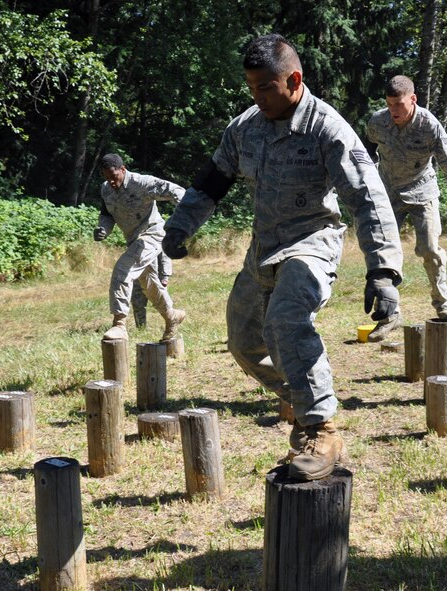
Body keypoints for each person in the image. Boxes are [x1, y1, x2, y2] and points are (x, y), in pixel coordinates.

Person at [162, 34, 404, 480]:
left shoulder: (328, 129)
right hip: (262, 249)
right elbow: (211, 181)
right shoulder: (246, 127)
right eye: (251, 88)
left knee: (286, 322)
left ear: (293, 79)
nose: (257, 97)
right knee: (244, 341)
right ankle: (302, 393)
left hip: (312, 243)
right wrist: (180, 226)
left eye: (264, 88)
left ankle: (321, 429)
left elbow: (367, 199)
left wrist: (384, 270)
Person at [366, 74, 447, 340]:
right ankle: (388, 314)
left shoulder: (429, 125)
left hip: (422, 191)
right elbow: (364, 151)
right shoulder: (378, 121)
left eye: (398, 104)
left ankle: (443, 303)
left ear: (412, 99)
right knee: (382, 252)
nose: (393, 111)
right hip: (388, 191)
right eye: (389, 104)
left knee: (429, 249)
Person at [94, 153, 186, 342]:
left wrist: (185, 217)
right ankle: (172, 317)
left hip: (153, 234)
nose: (111, 181)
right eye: (107, 177)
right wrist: (103, 228)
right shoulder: (105, 190)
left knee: (122, 269)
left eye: (114, 176)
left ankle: (119, 324)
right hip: (134, 240)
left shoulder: (142, 183)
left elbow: (176, 190)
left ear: (123, 169)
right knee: (149, 285)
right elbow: (107, 215)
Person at [131, 251, 172, 328]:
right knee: (137, 302)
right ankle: (141, 327)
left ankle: (171, 325)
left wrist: (165, 276)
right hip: (137, 274)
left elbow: (165, 252)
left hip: (155, 275)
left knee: (163, 302)